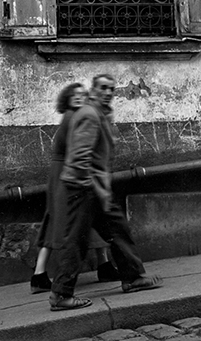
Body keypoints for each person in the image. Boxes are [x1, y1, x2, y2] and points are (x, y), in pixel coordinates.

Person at [49, 74, 163, 311]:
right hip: (84, 187)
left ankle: (132, 278)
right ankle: (61, 295)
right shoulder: (90, 115)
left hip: (96, 187)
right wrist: (97, 189)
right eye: (103, 88)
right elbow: (81, 157)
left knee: (117, 229)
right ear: (93, 90)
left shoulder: (100, 113)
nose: (108, 92)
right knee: (76, 241)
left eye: (111, 88)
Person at [31, 83, 119, 294]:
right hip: (68, 175)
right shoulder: (74, 118)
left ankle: (102, 265)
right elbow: (83, 149)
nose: (79, 97)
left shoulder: (72, 116)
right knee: (65, 221)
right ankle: (41, 275)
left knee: (74, 219)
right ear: (67, 99)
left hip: (63, 173)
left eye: (83, 94)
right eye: (75, 95)